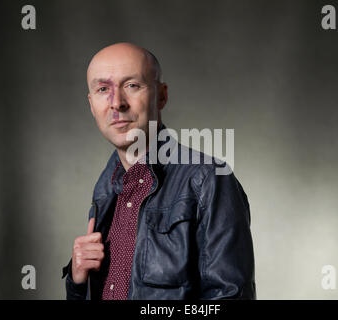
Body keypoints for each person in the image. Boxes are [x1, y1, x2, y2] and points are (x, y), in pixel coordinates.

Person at [62, 42, 256, 300]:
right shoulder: (106, 187)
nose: (116, 103)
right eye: (102, 89)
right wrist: (77, 282)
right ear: (91, 104)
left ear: (162, 96)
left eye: (132, 85)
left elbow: (231, 297)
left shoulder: (208, 180)